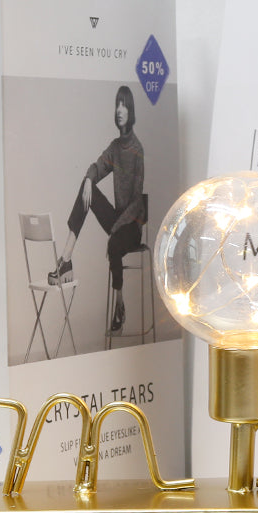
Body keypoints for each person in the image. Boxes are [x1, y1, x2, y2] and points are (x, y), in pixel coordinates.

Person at [49, 85, 144, 333]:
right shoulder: (115, 147)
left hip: (132, 226)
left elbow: (137, 201)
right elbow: (97, 166)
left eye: (124, 105)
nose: (120, 109)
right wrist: (90, 179)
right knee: (86, 184)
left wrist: (118, 226)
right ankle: (66, 259)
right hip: (116, 221)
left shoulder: (137, 151)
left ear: (130, 110)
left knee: (114, 244)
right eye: (117, 104)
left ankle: (119, 306)